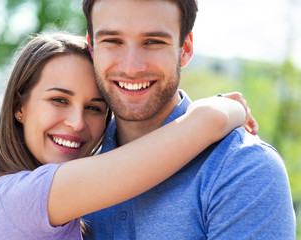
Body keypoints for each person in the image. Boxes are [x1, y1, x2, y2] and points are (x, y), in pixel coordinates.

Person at [0, 32, 250, 240]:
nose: (77, 123)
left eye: (94, 107)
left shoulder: (10, 199)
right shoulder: (19, 199)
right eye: (59, 100)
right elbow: (205, 122)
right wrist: (227, 107)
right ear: (19, 106)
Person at [82, 0, 296, 239]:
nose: (132, 67)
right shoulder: (72, 158)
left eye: (153, 42)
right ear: (92, 48)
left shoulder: (244, 168)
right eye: (112, 41)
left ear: (185, 49)